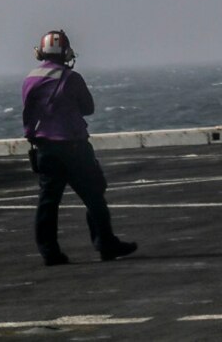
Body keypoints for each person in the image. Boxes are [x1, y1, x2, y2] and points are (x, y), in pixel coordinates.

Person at [22, 30, 137, 266]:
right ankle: (105, 243)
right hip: (73, 147)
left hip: (45, 148)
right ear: (66, 53)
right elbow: (88, 107)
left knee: (48, 202)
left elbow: (28, 111)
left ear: (40, 52)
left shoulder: (30, 78)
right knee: (94, 194)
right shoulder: (71, 78)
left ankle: (49, 253)